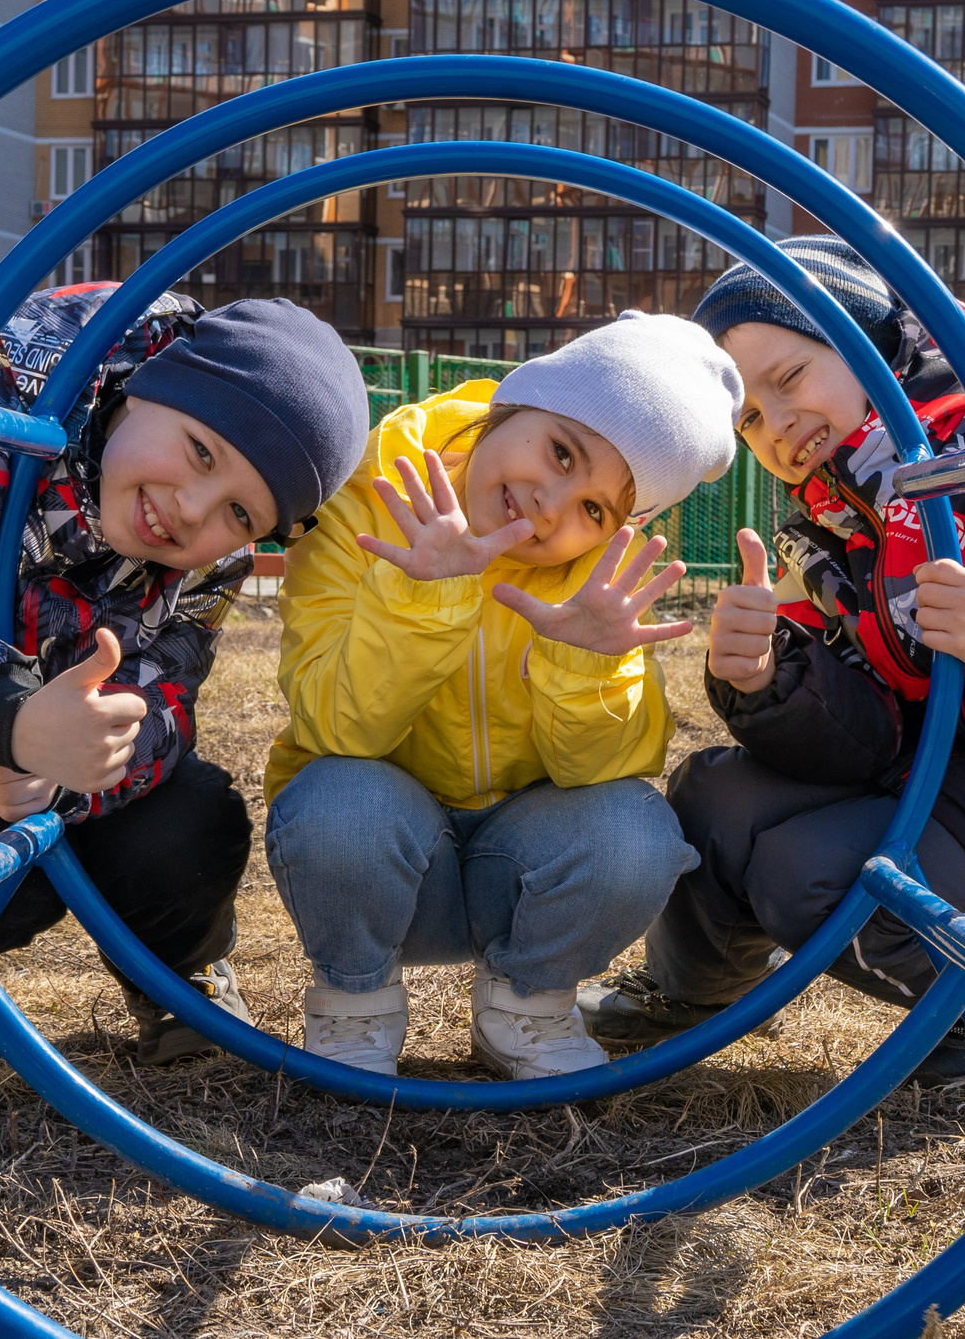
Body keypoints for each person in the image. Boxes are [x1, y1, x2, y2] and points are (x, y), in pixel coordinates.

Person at [578, 238, 965, 1088]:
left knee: (816, 876)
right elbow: (861, 741)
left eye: (789, 379)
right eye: (749, 418)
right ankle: (682, 997)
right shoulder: (830, 529)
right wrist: (769, 680)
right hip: (947, 783)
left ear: (868, 340)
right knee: (714, 798)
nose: (776, 421)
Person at [0, 283, 370, 1081]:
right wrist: (10, 720)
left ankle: (175, 982)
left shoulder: (206, 562)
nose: (192, 512)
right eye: (199, 451)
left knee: (194, 823)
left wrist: (96, 757)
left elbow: (168, 694)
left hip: (60, 735)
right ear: (151, 384)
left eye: (239, 514)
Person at [267, 312, 743, 1079]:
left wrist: (585, 662)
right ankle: (354, 1001)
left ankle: (527, 1004)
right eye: (561, 451)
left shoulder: (597, 580)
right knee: (337, 799)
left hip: (516, 872)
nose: (553, 504)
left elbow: (605, 777)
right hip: (382, 854)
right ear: (510, 406)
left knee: (635, 831)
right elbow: (335, 727)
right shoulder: (371, 492)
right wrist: (425, 596)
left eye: (596, 508)